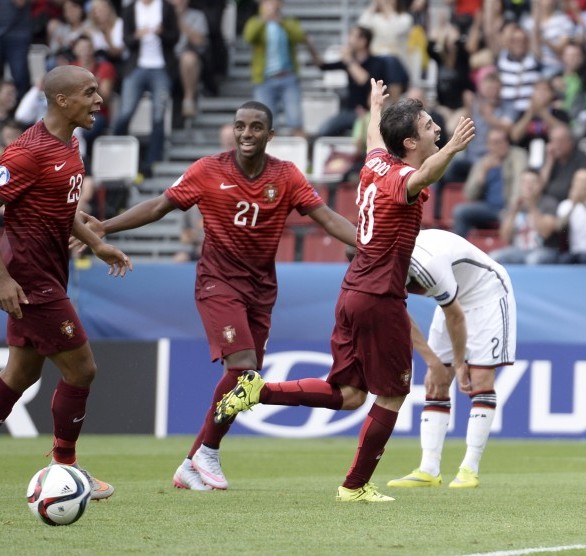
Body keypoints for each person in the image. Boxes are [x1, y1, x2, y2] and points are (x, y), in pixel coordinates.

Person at [212, 79, 476, 502]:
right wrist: (454, 149)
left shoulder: (376, 163)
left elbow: (375, 137)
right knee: (392, 393)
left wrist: (375, 106)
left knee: (350, 395)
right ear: (409, 141)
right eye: (429, 127)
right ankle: (354, 486)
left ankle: (258, 390)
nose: (437, 130)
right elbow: (425, 173)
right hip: (378, 297)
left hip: (352, 291)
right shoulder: (404, 177)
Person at [79, 100, 357, 491]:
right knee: (243, 367)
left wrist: (368, 242)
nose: (246, 134)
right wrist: (104, 228)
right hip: (218, 283)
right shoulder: (209, 170)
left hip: (261, 288)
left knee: (245, 380)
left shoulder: (287, 175)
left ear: (270, 135)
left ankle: (192, 463)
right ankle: (207, 453)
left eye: (256, 127)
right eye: (240, 125)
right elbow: (161, 205)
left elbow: (326, 217)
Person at [0, 65, 132, 501]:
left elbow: (62, 206)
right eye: (89, 92)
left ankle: (64, 465)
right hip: (31, 281)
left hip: (50, 273)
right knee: (83, 369)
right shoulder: (24, 153)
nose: (99, 99)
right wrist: (1, 278)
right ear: (62, 100)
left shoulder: (70, 143)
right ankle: (67, 468)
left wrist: (96, 243)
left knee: (17, 377)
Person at [386, 228, 516, 489]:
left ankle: (470, 468)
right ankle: (429, 469)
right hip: (453, 299)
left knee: (479, 378)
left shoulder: (426, 266)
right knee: (434, 380)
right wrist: (432, 361)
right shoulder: (382, 265)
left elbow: (455, 316)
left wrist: (459, 363)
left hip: (487, 294)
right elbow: (397, 314)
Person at [111, 0, 180, 176]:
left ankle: (152, 161)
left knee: (158, 116)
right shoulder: (130, 8)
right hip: (137, 67)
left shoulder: (166, 7)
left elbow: (175, 37)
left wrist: (162, 33)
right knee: (125, 112)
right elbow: (126, 39)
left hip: (161, 67)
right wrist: (137, 36)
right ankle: (119, 154)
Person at [243, 0, 320, 138]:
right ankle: (268, 158)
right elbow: (249, 37)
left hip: (288, 77)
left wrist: (281, 22)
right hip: (265, 79)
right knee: (265, 124)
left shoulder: (289, 21)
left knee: (296, 121)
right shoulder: (255, 22)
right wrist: (263, 20)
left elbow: (299, 36)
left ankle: (302, 156)